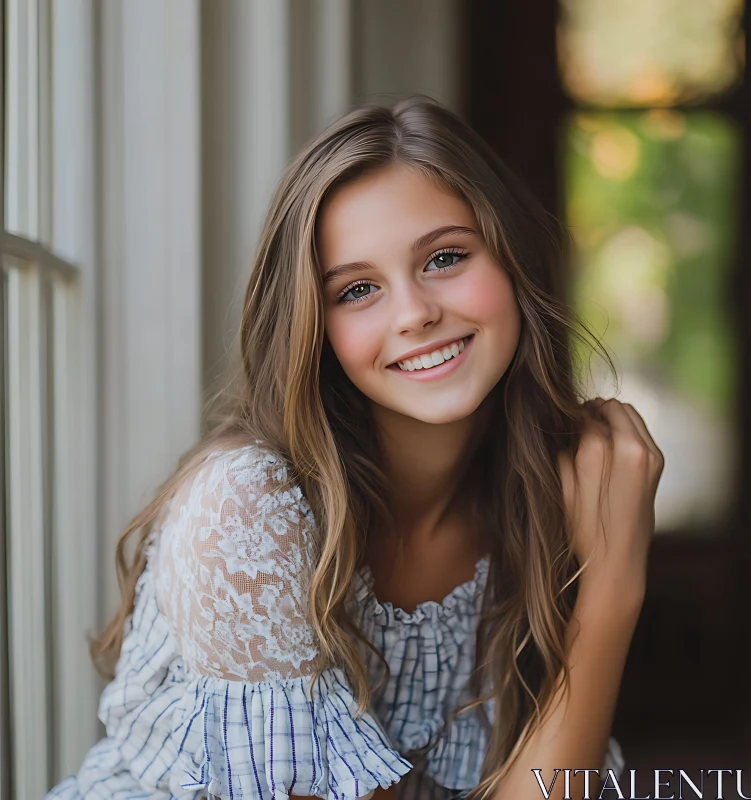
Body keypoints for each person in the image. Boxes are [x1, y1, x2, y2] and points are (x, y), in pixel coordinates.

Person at [47, 97, 663, 800]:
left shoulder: (545, 494)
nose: (414, 313)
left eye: (446, 257)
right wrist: (615, 586)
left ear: (514, 260)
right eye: (358, 289)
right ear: (313, 326)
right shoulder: (248, 512)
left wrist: (608, 585)